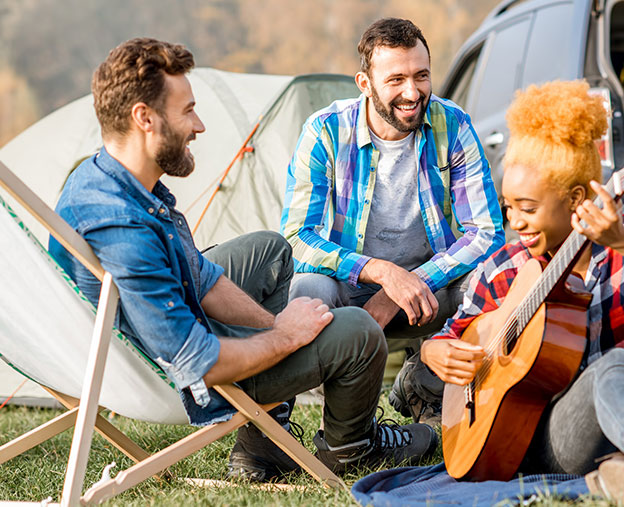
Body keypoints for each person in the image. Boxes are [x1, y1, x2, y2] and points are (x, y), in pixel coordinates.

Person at [48, 37, 436, 482]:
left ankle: (265, 442)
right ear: (145, 118)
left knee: (271, 250)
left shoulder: (106, 178)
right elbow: (196, 362)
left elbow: (201, 274)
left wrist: (276, 326)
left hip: (159, 327)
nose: (199, 125)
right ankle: (352, 448)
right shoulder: (121, 228)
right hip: (173, 377)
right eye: (187, 110)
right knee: (358, 330)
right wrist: (286, 339)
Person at [420, 81, 624, 505]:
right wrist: (433, 351)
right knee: (613, 363)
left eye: (528, 208)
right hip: (556, 437)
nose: (514, 221)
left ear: (576, 199)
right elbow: (454, 330)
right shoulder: (505, 269)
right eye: (508, 206)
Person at [280, 18, 505, 425]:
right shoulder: (326, 131)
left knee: (495, 286)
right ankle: (270, 431)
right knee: (307, 288)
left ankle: (424, 384)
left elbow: (487, 234)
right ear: (364, 83)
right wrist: (380, 273)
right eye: (396, 79)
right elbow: (297, 237)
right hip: (349, 291)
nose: (412, 92)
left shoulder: (453, 124)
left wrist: (411, 281)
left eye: (421, 76)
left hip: (430, 293)